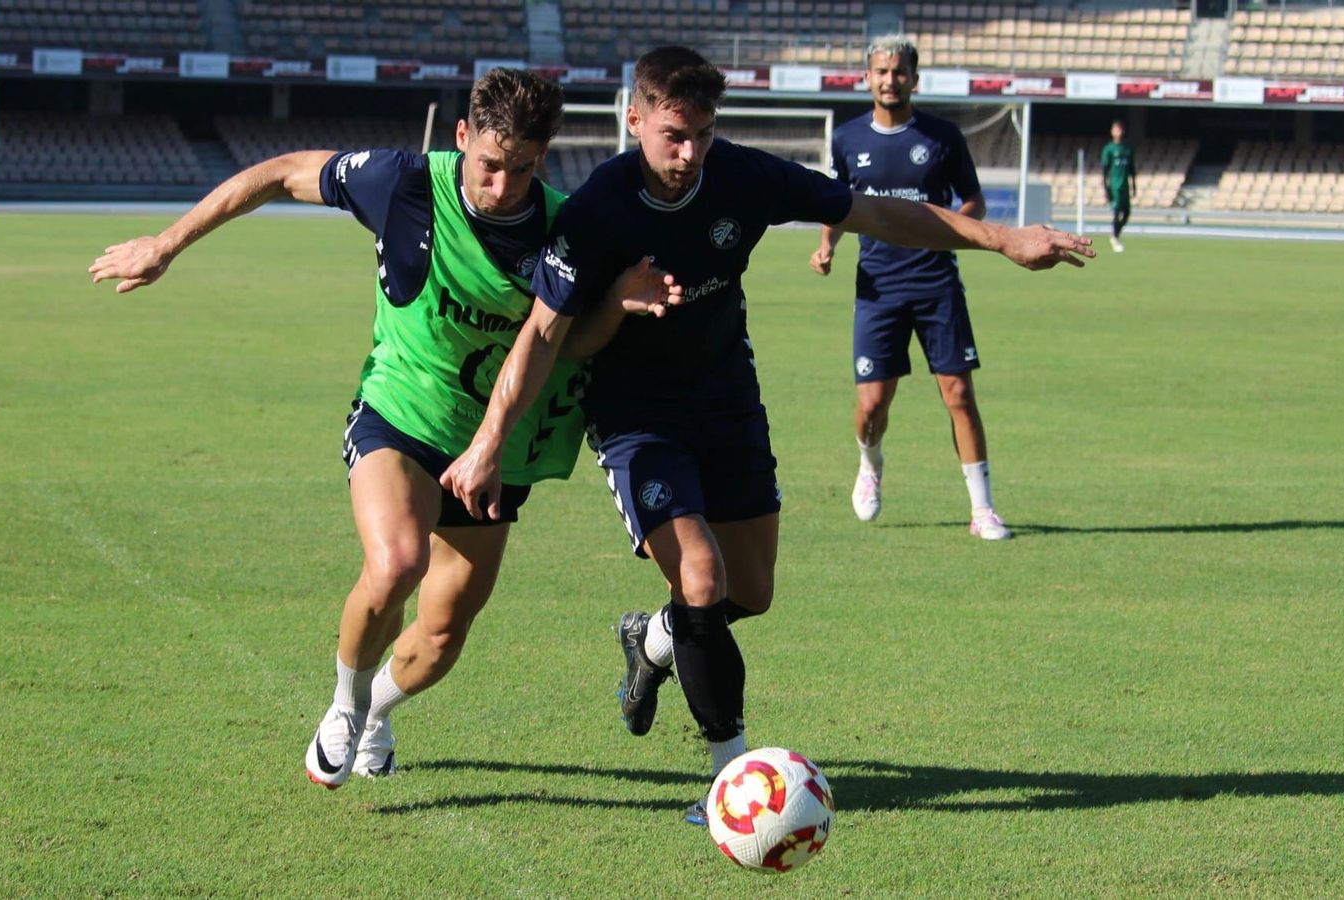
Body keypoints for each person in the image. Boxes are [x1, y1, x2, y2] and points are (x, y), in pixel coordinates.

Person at [439, 46, 1092, 825]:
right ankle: (730, 780)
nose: (690, 154)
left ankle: (651, 642)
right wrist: (495, 433)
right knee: (704, 580)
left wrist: (1003, 239)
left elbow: (878, 213)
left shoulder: (745, 177)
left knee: (751, 592)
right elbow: (555, 340)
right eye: (674, 135)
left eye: (704, 135)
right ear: (634, 119)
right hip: (637, 419)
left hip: (728, 403)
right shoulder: (596, 211)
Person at [87, 69, 678, 790]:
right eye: (491, 165)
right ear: (462, 138)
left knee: (440, 637)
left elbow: (570, 345)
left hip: (496, 449)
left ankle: (375, 712)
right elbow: (280, 174)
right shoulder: (402, 184)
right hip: (399, 415)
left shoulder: (566, 226)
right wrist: (169, 242)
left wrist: (618, 302)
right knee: (396, 562)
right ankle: (343, 706)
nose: (503, 186)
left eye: (523, 168)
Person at [809, 36, 1010, 538]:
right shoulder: (849, 138)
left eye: (899, 72)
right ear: (868, 77)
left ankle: (982, 509)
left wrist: (948, 231)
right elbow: (839, 201)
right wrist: (827, 245)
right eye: (881, 72)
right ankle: (870, 463)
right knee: (873, 405)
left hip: (936, 281)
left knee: (959, 394)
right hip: (878, 286)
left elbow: (974, 202)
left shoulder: (942, 137)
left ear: (914, 79)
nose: (890, 80)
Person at [1101, 119, 1137, 252]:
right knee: (1117, 212)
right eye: (1116, 129)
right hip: (1115, 186)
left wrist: (1134, 186)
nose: (1119, 132)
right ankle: (1115, 238)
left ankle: (1115, 234)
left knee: (1127, 213)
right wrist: (1106, 188)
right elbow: (1104, 171)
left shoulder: (1127, 149)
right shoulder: (1109, 149)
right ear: (1112, 132)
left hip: (1125, 185)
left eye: (1121, 129)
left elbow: (1132, 170)